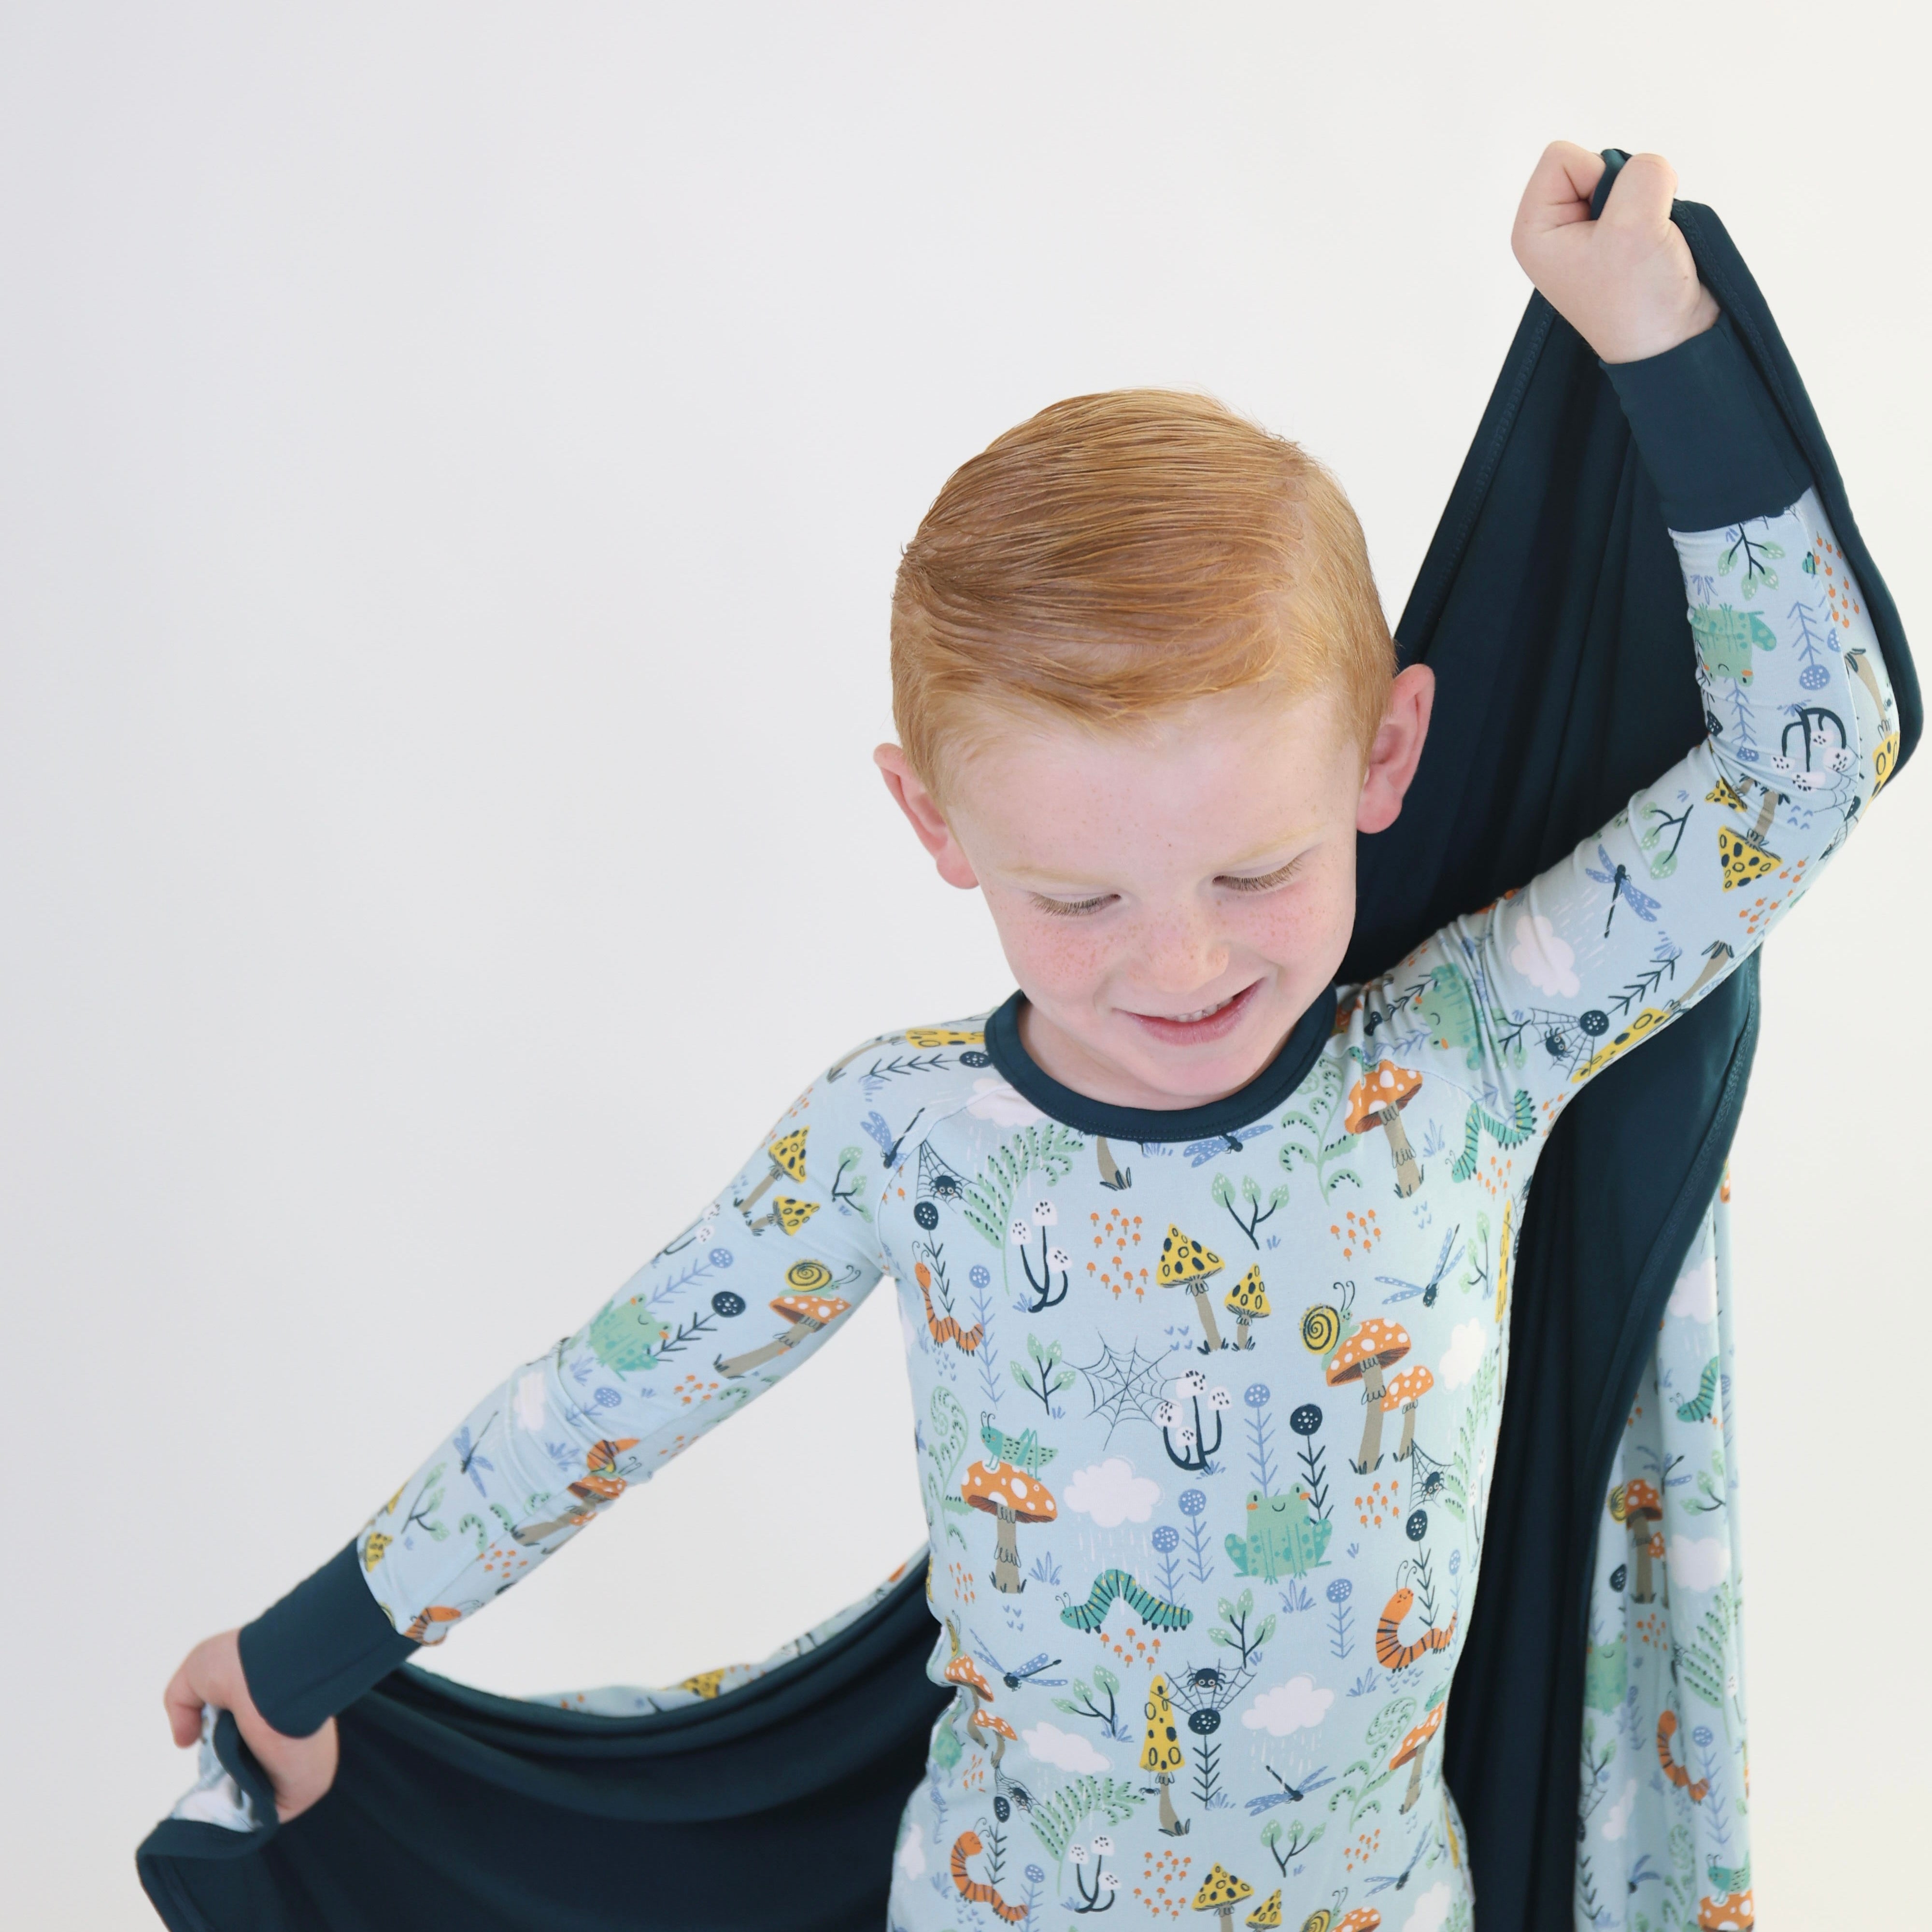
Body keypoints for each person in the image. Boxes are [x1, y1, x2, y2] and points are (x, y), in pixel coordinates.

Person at [163, 143, 1899, 1924]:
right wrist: (304, 1658)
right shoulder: (905, 1138)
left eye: (1257, 866)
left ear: (1387, 758)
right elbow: (599, 1408)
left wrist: (1658, 334)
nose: (1182, 960)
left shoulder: (1468, 1053)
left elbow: (1811, 754)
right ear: (937, 828)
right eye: (1081, 901)